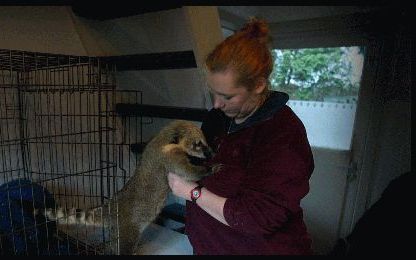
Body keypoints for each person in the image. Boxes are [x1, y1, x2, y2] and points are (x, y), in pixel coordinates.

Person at [168, 17, 314, 255]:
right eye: (213, 93)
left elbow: (256, 217)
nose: (216, 104)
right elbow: (207, 166)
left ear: (258, 85)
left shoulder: (283, 133)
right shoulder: (217, 118)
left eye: (227, 96)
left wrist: (191, 192)